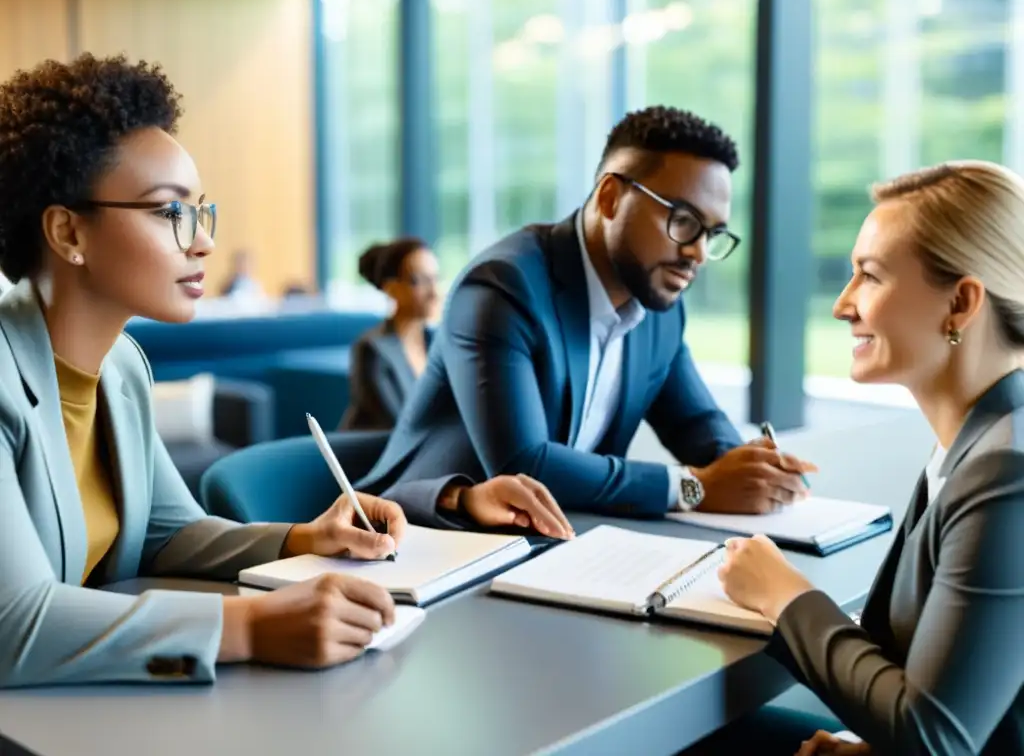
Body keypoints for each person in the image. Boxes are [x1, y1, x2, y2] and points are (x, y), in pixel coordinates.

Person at [0, 53, 566, 689]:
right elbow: (12, 624)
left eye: (199, 212)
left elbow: (170, 533)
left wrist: (306, 538)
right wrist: (251, 625)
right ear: (67, 230)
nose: (202, 241)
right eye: (169, 212)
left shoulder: (122, 367)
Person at [357, 106, 815, 524]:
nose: (696, 252)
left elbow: (694, 422)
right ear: (612, 198)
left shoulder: (657, 304)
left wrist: (754, 468)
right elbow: (525, 463)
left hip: (562, 540)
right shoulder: (502, 288)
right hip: (431, 539)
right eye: (683, 221)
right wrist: (693, 487)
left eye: (711, 234)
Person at [705, 160, 1024, 755]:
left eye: (869, 276)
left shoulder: (1006, 472)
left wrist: (787, 597)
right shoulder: (976, 439)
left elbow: (935, 737)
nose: (843, 304)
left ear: (959, 303)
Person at [339, 237, 439, 431]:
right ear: (392, 288)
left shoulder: (436, 343)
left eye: (435, 278)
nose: (434, 292)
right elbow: (399, 426)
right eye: (420, 281)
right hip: (376, 456)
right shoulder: (372, 349)